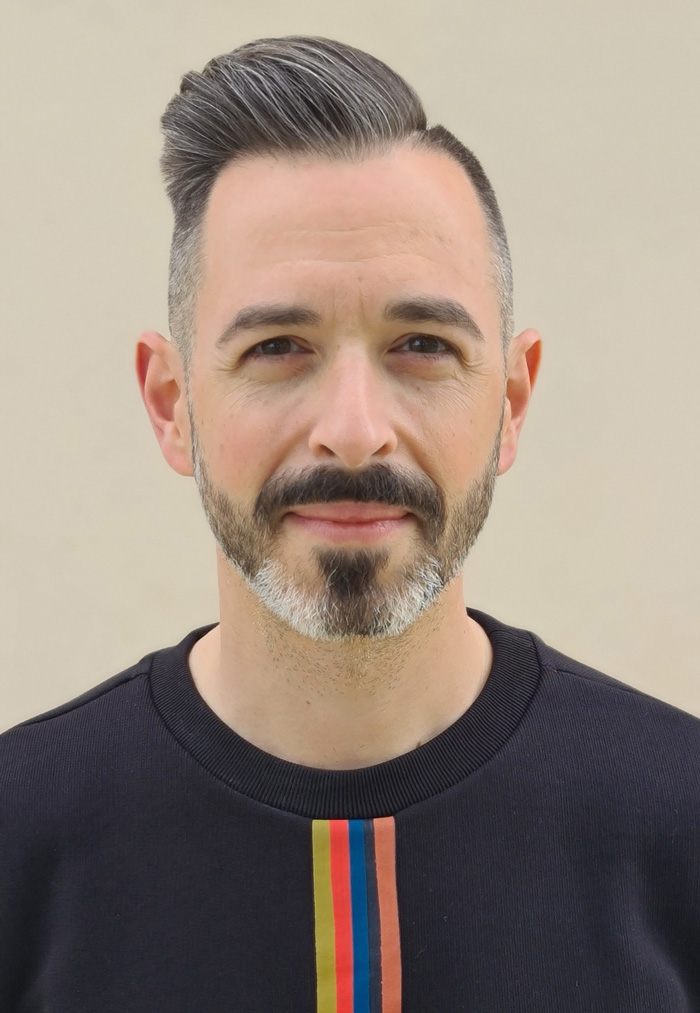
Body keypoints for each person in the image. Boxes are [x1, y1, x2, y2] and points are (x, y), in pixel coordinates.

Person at [1, 35, 698, 1013]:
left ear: (513, 397)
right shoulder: (19, 846)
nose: (355, 431)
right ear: (170, 404)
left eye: (421, 344)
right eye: (279, 346)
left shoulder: (680, 828)